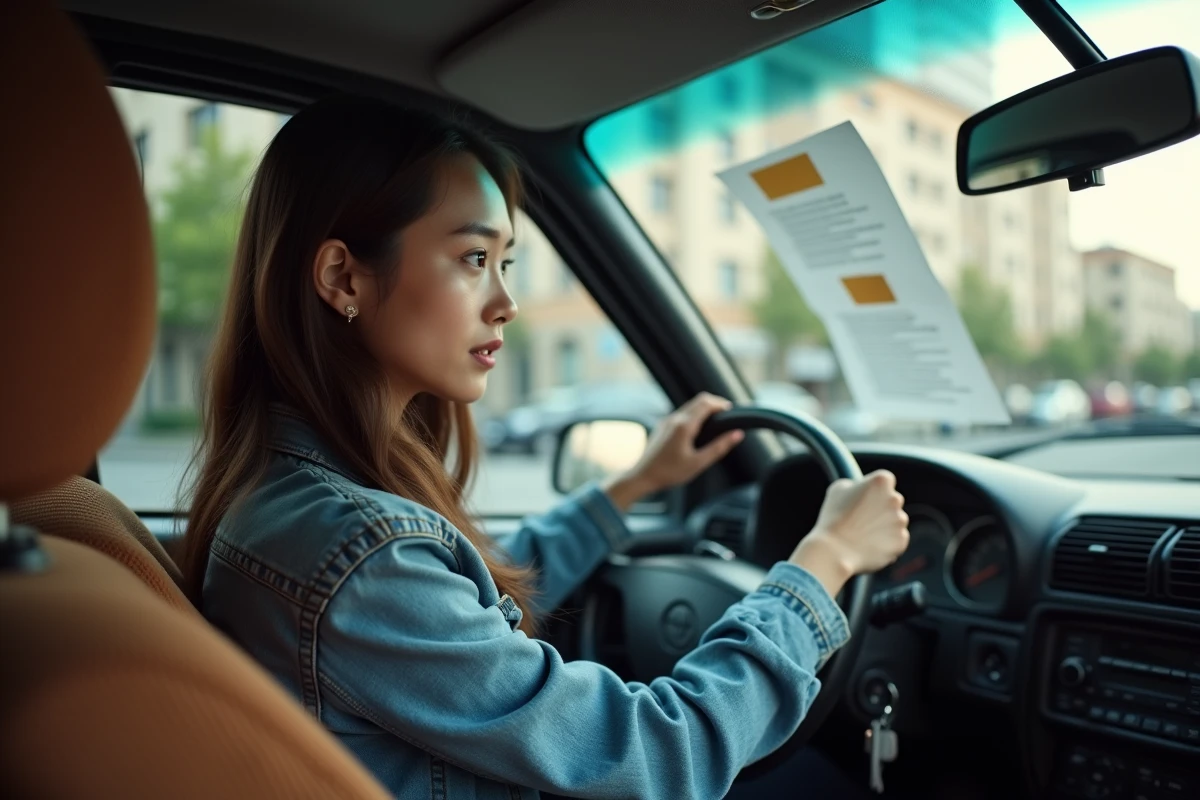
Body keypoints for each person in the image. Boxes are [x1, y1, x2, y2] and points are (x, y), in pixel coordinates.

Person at [184, 95, 909, 800]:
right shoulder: (363, 554)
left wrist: (630, 488)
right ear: (344, 276)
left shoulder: (297, 505)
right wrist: (825, 563)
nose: (506, 302)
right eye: (473, 257)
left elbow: (468, 606)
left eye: (508, 263)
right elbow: (658, 756)